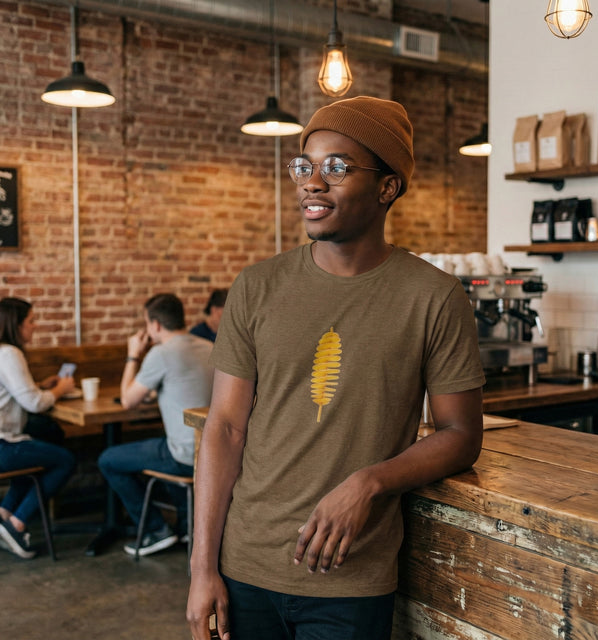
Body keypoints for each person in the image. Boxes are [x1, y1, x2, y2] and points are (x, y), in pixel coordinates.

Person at [186, 96, 485, 640]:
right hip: (245, 565)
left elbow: (461, 435)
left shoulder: (435, 297)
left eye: (337, 168)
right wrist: (201, 567)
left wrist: (368, 482)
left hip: (350, 580)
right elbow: (225, 429)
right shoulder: (257, 287)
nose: (311, 183)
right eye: (305, 166)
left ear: (387, 187)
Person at [98, 293, 214, 556]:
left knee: (108, 459)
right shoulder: (208, 346)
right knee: (166, 444)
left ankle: (155, 530)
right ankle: (187, 528)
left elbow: (128, 400)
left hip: (185, 455)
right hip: (215, 452)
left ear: (156, 325)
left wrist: (132, 355)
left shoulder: (160, 354)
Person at [0, 297, 77, 559]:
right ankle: (17, 524)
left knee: (34, 457)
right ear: (16, 325)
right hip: (4, 445)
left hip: (7, 442)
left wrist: (43, 386)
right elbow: (33, 404)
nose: (35, 326)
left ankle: (4, 515)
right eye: (31, 321)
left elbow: (19, 395)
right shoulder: (9, 353)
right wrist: (60, 389)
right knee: (64, 460)